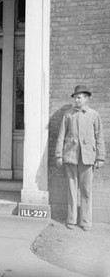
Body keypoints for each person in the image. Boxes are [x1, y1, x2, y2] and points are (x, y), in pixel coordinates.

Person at [55, 85, 106, 231]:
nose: (76, 100)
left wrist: (100, 157)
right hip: (70, 156)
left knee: (86, 190)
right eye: (75, 97)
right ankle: (71, 219)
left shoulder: (94, 115)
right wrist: (59, 155)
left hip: (88, 157)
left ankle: (85, 221)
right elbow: (61, 136)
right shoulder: (68, 114)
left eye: (79, 97)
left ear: (86, 98)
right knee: (71, 190)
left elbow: (99, 137)